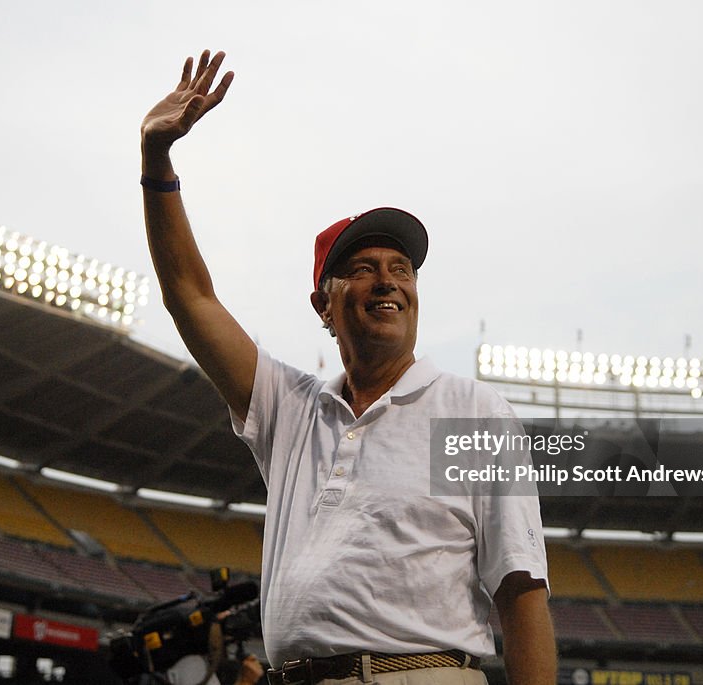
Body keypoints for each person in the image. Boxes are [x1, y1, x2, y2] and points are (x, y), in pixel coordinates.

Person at [141, 50, 556, 685]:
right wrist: (157, 163)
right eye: (362, 268)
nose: (388, 281)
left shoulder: (470, 413)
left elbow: (521, 588)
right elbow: (190, 298)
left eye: (402, 269)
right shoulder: (292, 410)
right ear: (323, 305)